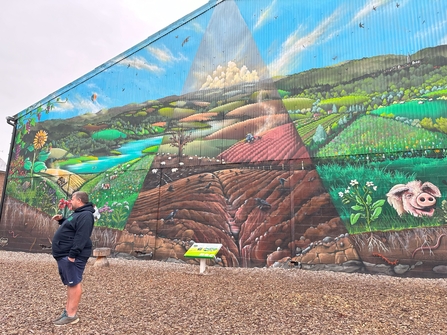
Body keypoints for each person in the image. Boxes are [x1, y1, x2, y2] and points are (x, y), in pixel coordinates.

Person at [51, 191, 95, 326]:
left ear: (80, 200)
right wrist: (62, 220)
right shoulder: (78, 213)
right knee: (71, 283)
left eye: (72, 199)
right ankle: (68, 311)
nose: (70, 201)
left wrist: (72, 254)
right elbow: (72, 228)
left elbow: (82, 236)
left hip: (72, 256)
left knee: (74, 282)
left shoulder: (86, 215)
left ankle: (71, 316)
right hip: (65, 254)